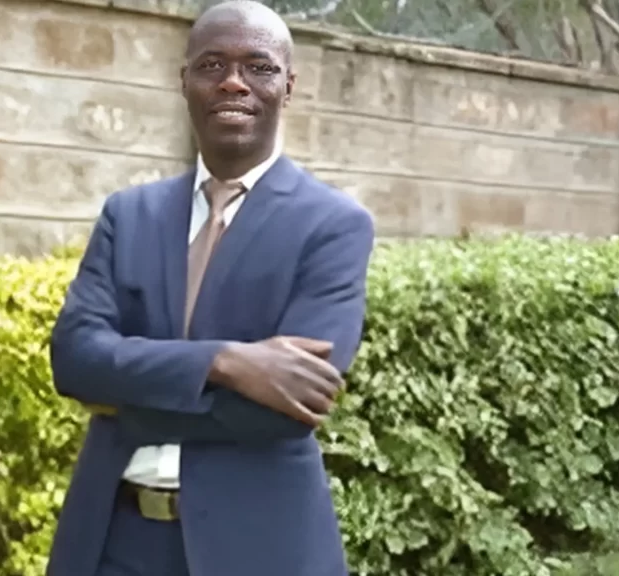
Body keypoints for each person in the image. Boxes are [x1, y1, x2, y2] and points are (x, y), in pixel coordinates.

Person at [46, 1, 375, 574]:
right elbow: (73, 360)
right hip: (113, 541)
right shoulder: (129, 215)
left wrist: (127, 397)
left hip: (258, 547)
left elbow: (289, 409)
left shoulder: (333, 226)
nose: (233, 82)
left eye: (259, 67)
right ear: (185, 81)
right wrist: (226, 362)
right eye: (212, 64)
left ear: (288, 86)